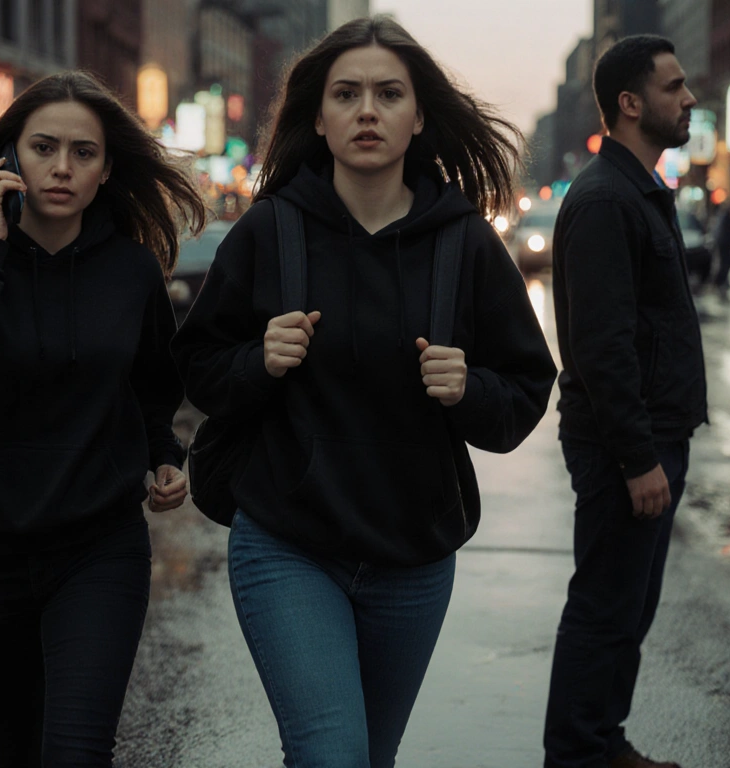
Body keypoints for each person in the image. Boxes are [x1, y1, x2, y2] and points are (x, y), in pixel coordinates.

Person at [172, 16, 556, 768]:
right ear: (319, 118)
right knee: (332, 753)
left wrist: (468, 388)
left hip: (413, 555)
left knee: (369, 757)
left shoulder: (465, 243)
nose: (368, 111)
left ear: (419, 117)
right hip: (288, 543)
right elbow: (199, 368)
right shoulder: (271, 230)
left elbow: (524, 391)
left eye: (389, 94)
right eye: (346, 94)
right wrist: (258, 361)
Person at [0, 70, 207, 766]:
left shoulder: (131, 270)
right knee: (13, 750)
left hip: (99, 549)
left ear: (106, 170)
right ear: (10, 157)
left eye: (83, 152)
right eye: (43, 148)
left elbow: (153, 388)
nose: (62, 167)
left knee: (75, 750)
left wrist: (164, 456)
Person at [545, 35, 706, 768]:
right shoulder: (608, 198)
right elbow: (601, 346)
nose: (690, 98)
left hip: (651, 435)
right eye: (674, 87)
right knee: (606, 607)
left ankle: (602, 741)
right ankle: (579, 752)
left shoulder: (635, 189)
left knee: (628, 608)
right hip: (625, 446)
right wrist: (638, 458)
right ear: (631, 104)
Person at [713, 202, 730, 300]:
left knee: (726, 262)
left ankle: (721, 280)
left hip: (726, 244)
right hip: (724, 244)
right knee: (726, 262)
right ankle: (719, 280)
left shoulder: (728, 219)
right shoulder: (727, 219)